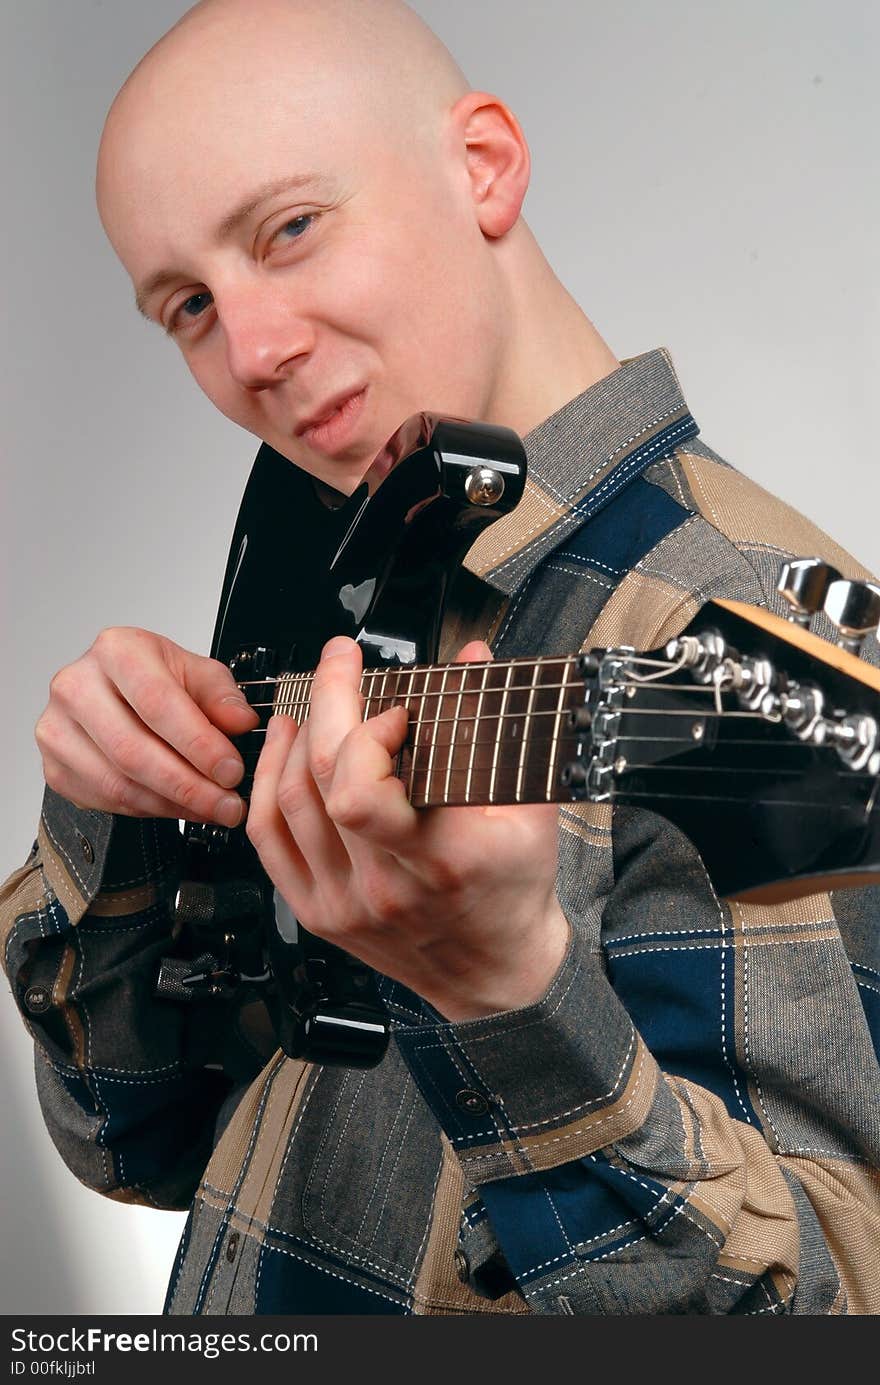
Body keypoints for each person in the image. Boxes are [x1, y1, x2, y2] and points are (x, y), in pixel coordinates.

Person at [1, 0, 878, 1315]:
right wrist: (120, 817)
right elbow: (136, 1140)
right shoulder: (367, 552)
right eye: (188, 304)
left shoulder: (775, 645)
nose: (252, 353)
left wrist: (506, 998)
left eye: (287, 229)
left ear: (481, 168)